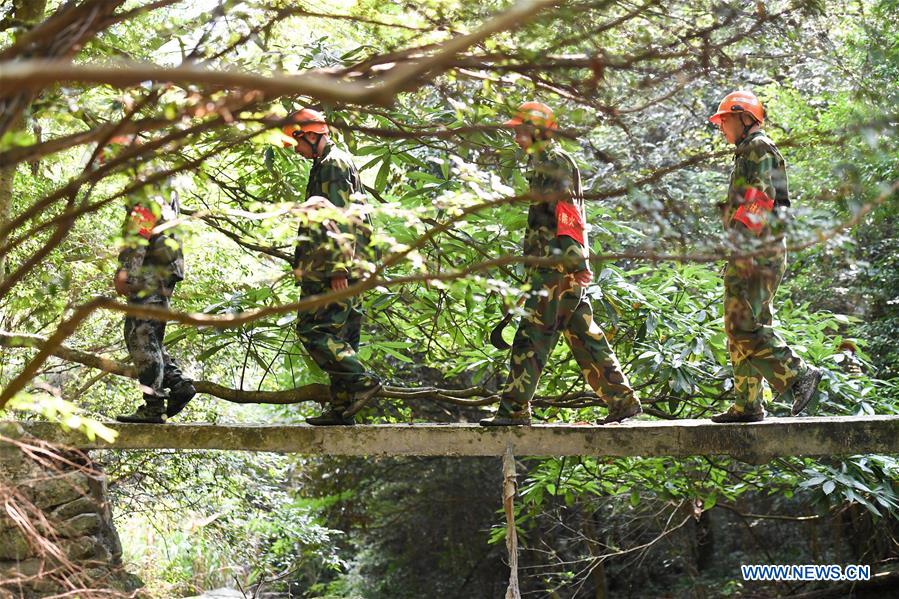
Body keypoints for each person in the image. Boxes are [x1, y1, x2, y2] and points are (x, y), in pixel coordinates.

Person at [480, 102, 642, 426]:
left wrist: (574, 260)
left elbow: (568, 215)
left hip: (556, 269)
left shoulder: (553, 163)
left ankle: (513, 411)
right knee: (583, 335)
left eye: (520, 128)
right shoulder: (543, 163)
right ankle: (622, 400)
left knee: (530, 339)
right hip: (556, 267)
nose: (515, 133)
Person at [708, 90, 822, 423]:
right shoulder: (747, 151)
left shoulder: (757, 148)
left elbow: (759, 201)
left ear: (745, 118)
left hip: (757, 253)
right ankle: (748, 404)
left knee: (742, 326)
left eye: (725, 120)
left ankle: (798, 374)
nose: (721, 128)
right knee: (744, 324)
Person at [281, 108, 381, 426]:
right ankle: (342, 406)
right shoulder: (325, 163)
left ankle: (364, 381)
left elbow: (339, 217)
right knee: (343, 336)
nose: (294, 148)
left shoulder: (334, 164)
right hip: (342, 264)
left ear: (311, 136)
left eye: (295, 140)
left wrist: (340, 267)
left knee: (313, 330)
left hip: (338, 266)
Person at [115, 188, 196, 423]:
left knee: (140, 336)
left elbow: (142, 226)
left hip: (151, 270)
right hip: (160, 268)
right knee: (147, 335)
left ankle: (154, 406)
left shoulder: (148, 179)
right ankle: (178, 384)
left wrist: (127, 269)